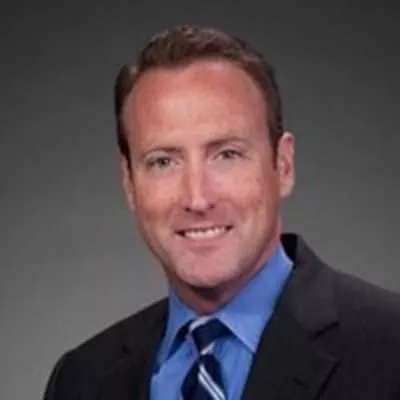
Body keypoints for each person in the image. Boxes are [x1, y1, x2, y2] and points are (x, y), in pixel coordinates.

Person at [43, 24, 400, 400]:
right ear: (130, 184)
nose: (197, 198)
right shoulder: (81, 381)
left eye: (227, 155)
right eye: (163, 161)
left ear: (283, 165)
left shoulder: (390, 350)